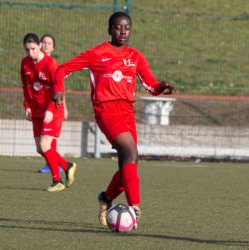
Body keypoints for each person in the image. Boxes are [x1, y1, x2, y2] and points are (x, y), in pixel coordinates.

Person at [53, 12, 175, 227]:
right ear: (109, 29)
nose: (123, 31)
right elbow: (62, 69)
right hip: (106, 111)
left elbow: (151, 86)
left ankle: (106, 198)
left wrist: (160, 88)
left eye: (127, 28)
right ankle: (134, 207)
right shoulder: (96, 54)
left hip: (127, 112)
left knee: (129, 163)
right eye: (118, 27)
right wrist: (58, 89)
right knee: (130, 153)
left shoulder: (135, 56)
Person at [20, 33, 77, 192]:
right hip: (37, 110)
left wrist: (52, 109)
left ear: (39, 46)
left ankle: (57, 181)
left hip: (52, 109)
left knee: (45, 145)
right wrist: (27, 107)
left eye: (33, 49)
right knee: (40, 148)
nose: (30, 53)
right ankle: (67, 166)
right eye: (27, 50)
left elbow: (59, 88)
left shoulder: (51, 63)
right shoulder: (25, 63)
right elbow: (26, 87)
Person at [37, 34, 68, 174]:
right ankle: (54, 164)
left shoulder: (52, 64)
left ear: (53, 48)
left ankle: (55, 165)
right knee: (43, 142)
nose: (45, 45)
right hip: (40, 106)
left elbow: (59, 88)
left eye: (49, 43)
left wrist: (64, 107)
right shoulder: (34, 64)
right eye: (43, 42)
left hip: (52, 106)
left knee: (47, 139)